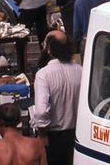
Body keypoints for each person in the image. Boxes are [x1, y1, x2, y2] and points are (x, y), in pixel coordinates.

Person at [31, 31, 81, 165]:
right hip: (77, 134)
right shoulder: (81, 70)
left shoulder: (44, 75)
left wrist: (42, 135)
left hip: (53, 138)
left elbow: (41, 111)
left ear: (48, 49)